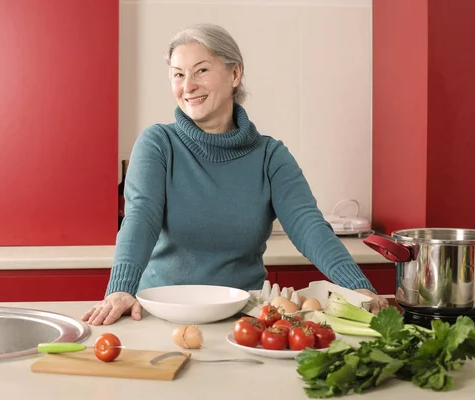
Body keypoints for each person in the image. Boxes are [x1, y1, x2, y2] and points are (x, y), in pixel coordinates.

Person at [83, 23, 389, 326]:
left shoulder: (270, 156)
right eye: (178, 74)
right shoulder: (158, 144)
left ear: (235, 74)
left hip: (245, 318)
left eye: (201, 70)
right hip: (163, 314)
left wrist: (357, 287)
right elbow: (140, 219)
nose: (187, 85)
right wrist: (120, 290)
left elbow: (309, 226)